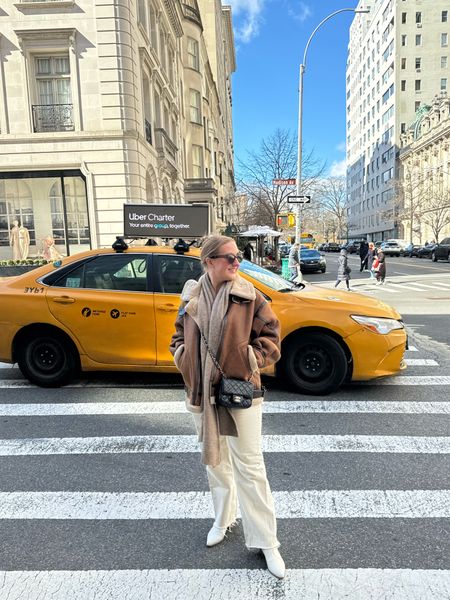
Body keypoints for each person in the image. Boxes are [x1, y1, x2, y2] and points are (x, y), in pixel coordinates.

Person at [170, 234, 285, 579]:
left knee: (250, 467)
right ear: (208, 261)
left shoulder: (249, 295)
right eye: (229, 258)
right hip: (201, 394)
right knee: (215, 461)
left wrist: (249, 358)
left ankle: (267, 541)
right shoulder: (191, 297)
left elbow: (272, 337)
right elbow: (177, 336)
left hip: (240, 393)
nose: (237, 263)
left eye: (239, 257)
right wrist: (183, 358)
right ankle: (223, 516)